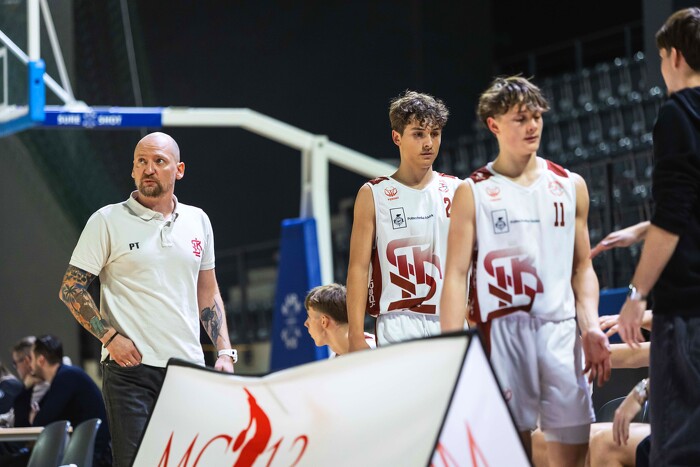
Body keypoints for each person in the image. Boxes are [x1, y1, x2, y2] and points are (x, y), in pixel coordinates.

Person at [440, 76, 611, 466]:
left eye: (537, 116)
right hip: (503, 333)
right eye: (520, 118)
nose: (532, 126)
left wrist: (591, 326)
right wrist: (453, 349)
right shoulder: (473, 190)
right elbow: (455, 275)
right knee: (511, 457)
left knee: (573, 458)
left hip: (560, 330)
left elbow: (582, 266)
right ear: (494, 125)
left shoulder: (570, 185)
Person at [58, 132, 236, 467]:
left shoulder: (198, 220)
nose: (148, 169)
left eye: (159, 161)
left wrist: (224, 351)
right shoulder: (106, 220)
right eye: (141, 161)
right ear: (133, 170)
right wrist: (110, 338)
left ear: (179, 170)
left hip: (187, 368)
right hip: (130, 371)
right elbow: (71, 289)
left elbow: (208, 291)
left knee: (189, 462)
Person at [615, 7, 700, 465]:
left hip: (687, 310)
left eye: (663, 57)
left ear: (675, 57)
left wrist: (637, 294)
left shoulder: (676, 113)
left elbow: (673, 218)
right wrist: (639, 229)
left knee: (678, 451)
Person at [346, 90, 462, 352]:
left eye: (435, 133)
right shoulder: (373, 194)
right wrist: (355, 334)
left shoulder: (458, 189)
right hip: (399, 321)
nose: (429, 143)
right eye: (418, 134)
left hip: (451, 318)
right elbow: (358, 268)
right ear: (396, 137)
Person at [24, 335, 111, 466]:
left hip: (91, 454)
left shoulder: (66, 377)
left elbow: (40, 421)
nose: (30, 366)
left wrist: (26, 389)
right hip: (87, 450)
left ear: (41, 360)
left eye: (31, 359)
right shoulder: (66, 375)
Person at [304, 283, 376, 357]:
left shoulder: (375, 349)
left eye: (309, 316)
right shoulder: (334, 359)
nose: (306, 323)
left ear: (324, 321)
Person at [8, 337, 49, 428]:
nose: (16, 368)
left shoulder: (41, 386)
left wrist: (25, 388)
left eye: (15, 363)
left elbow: (18, 421)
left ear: (27, 361)